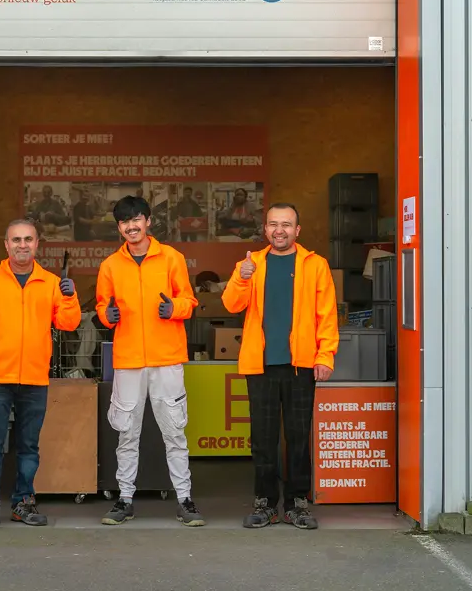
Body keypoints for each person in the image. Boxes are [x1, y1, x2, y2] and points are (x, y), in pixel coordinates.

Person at [0, 218, 80, 530]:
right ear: (6, 245)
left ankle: (24, 503)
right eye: (16, 240)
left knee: (28, 447)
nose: (23, 245)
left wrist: (69, 296)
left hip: (34, 378)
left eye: (28, 239)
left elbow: (68, 323)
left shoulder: (50, 282)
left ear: (37, 244)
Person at [222, 203, 338, 531]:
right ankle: (265, 503)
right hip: (260, 365)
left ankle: (297, 503)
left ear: (297, 230)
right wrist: (242, 278)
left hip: (301, 365)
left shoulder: (315, 265)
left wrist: (325, 356)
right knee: (262, 438)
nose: (279, 230)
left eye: (286, 224)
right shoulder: (250, 264)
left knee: (298, 437)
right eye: (273, 224)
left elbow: (327, 314)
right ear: (265, 229)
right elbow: (231, 304)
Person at [96, 195, 204, 527]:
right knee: (127, 433)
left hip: (166, 357)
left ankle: (185, 500)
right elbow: (102, 306)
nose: (131, 226)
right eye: (124, 222)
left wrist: (174, 308)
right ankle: (124, 499)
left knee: (175, 432)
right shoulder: (110, 266)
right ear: (119, 228)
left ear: (148, 221)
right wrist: (108, 315)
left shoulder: (172, 258)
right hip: (128, 360)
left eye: (136, 219)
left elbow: (189, 300)